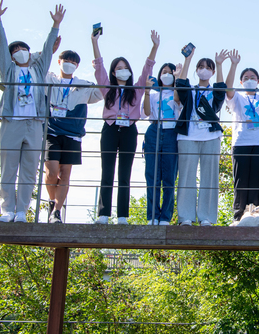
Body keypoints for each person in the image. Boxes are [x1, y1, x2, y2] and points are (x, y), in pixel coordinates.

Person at [0, 0, 65, 223]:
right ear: (12, 56)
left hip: (34, 123)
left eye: (24, 49)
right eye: (17, 50)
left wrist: (55, 26)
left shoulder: (37, 70)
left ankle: (22, 210)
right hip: (12, 121)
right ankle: (7, 210)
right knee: (8, 167)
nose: (21, 51)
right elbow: (0, 48)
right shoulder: (9, 71)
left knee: (30, 170)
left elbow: (47, 51)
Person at [92, 30, 159, 224]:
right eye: (119, 68)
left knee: (125, 173)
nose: (123, 70)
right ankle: (103, 214)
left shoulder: (136, 89)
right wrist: (94, 42)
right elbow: (99, 67)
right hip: (110, 128)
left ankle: (122, 215)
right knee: (107, 171)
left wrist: (154, 47)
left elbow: (147, 69)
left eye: (125, 67)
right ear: (114, 72)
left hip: (129, 129)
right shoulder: (107, 87)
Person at [44, 45, 103, 224]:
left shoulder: (83, 85)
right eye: (66, 61)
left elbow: (102, 92)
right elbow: (38, 67)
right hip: (51, 133)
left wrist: (98, 71)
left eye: (73, 63)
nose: (69, 65)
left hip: (73, 135)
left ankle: (56, 211)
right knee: (51, 172)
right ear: (59, 62)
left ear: (77, 66)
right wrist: (50, 50)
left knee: (66, 173)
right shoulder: (49, 79)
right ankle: (52, 202)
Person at [175, 47, 232, 226]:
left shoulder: (213, 91)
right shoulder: (190, 90)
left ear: (212, 72)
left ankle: (206, 217)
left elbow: (221, 93)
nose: (204, 70)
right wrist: (188, 60)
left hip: (211, 137)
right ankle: (186, 217)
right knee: (186, 177)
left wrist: (221, 65)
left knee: (210, 177)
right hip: (188, 137)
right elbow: (181, 86)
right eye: (201, 67)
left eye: (208, 67)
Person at [224, 50, 259, 225]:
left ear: (258, 81)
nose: (249, 79)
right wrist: (234, 64)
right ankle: (238, 216)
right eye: (245, 77)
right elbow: (228, 89)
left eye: (253, 77)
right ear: (241, 81)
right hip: (241, 142)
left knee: (258, 179)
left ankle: (257, 213)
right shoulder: (238, 97)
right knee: (241, 180)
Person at [142, 62, 182, 225]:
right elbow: (146, 112)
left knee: (169, 177)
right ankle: (152, 215)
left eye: (169, 73)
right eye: (163, 72)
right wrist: (146, 92)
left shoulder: (176, 92)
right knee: (152, 175)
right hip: (154, 131)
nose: (166, 75)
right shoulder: (152, 93)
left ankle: (165, 216)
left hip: (172, 132)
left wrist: (178, 80)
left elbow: (179, 102)